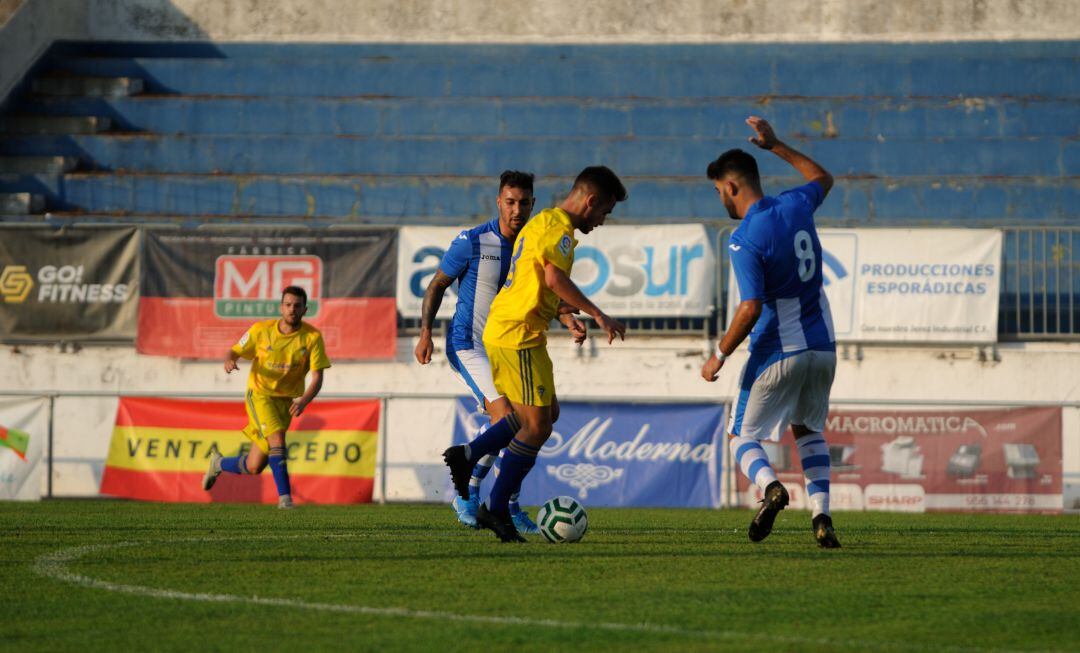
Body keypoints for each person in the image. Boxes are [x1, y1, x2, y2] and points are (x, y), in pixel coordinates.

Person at [443, 166, 627, 542]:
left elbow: (533, 279)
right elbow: (553, 279)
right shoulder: (558, 229)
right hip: (519, 334)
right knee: (537, 426)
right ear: (590, 201)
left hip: (513, 329)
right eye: (605, 212)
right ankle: (497, 509)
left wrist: (563, 314)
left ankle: (467, 456)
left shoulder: (544, 221)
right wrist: (597, 313)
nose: (603, 221)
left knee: (543, 415)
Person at [415, 170, 586, 533]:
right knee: (507, 416)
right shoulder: (473, 241)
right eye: (510, 202)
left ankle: (505, 501)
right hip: (470, 345)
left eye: (524, 203)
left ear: (533, 204)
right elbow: (437, 285)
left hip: (507, 345)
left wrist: (567, 316)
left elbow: (538, 291)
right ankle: (469, 495)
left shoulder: (530, 241)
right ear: (498, 202)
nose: (517, 210)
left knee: (540, 418)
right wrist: (426, 332)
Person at [700, 116, 841, 549]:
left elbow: (750, 307)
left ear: (731, 187)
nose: (720, 198)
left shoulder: (745, 237)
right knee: (808, 430)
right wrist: (776, 145)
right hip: (823, 350)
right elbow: (823, 177)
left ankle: (771, 488)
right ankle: (821, 516)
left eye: (719, 190)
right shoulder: (797, 204)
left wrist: (719, 355)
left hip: (779, 349)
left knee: (741, 436)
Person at [202, 286, 331, 509]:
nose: (292, 309)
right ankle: (285, 500)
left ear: (305, 309)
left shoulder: (311, 337)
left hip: (286, 402)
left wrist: (303, 400)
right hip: (260, 394)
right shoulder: (261, 330)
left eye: (297, 306)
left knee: (254, 466)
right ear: (281, 307)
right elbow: (234, 350)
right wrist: (229, 360)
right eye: (288, 305)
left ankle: (219, 463)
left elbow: (317, 377)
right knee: (277, 441)